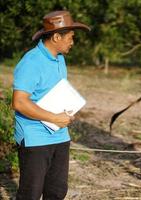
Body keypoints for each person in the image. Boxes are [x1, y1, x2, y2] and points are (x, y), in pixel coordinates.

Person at [12, 10, 90, 200]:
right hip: (35, 139)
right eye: (70, 37)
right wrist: (54, 117)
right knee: (30, 194)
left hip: (60, 136)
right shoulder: (31, 62)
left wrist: (68, 111)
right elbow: (19, 102)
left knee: (56, 191)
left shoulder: (59, 59)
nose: (73, 42)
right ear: (56, 36)